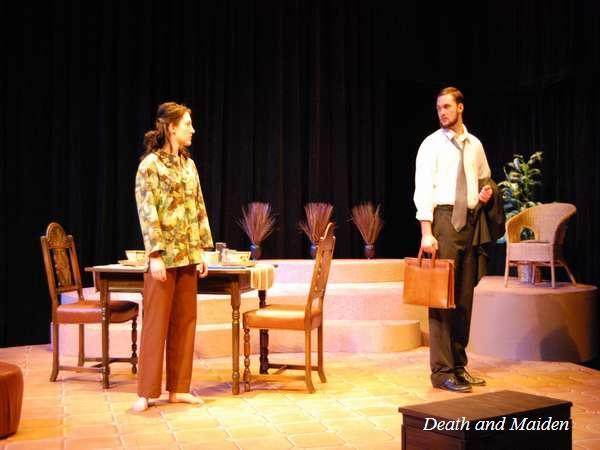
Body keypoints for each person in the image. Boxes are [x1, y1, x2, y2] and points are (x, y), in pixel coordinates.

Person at [133, 102, 213, 411]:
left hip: (188, 255)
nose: (192, 130)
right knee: (156, 323)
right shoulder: (149, 166)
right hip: (164, 258)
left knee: (185, 322)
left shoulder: (188, 165)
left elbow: (199, 207)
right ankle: (146, 392)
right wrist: (155, 254)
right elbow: (147, 211)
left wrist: (203, 250)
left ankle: (178, 388)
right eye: (188, 124)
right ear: (172, 128)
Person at [413, 87, 493, 393]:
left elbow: (484, 179)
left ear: (460, 107)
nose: (442, 112)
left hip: (470, 223)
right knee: (441, 298)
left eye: (447, 106)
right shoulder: (430, 145)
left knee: (463, 299)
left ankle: (459, 366)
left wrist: (485, 194)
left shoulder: (475, 145)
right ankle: (442, 371)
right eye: (438, 108)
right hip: (444, 223)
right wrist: (427, 232)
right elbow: (423, 191)